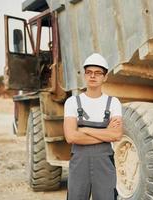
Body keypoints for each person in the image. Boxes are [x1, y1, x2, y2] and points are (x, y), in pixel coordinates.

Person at [63, 53, 123, 200]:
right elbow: (71, 137)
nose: (92, 76)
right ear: (84, 75)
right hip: (79, 162)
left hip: (104, 162)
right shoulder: (72, 102)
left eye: (97, 73)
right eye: (89, 72)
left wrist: (84, 130)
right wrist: (105, 132)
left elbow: (116, 135)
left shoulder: (113, 102)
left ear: (105, 77)